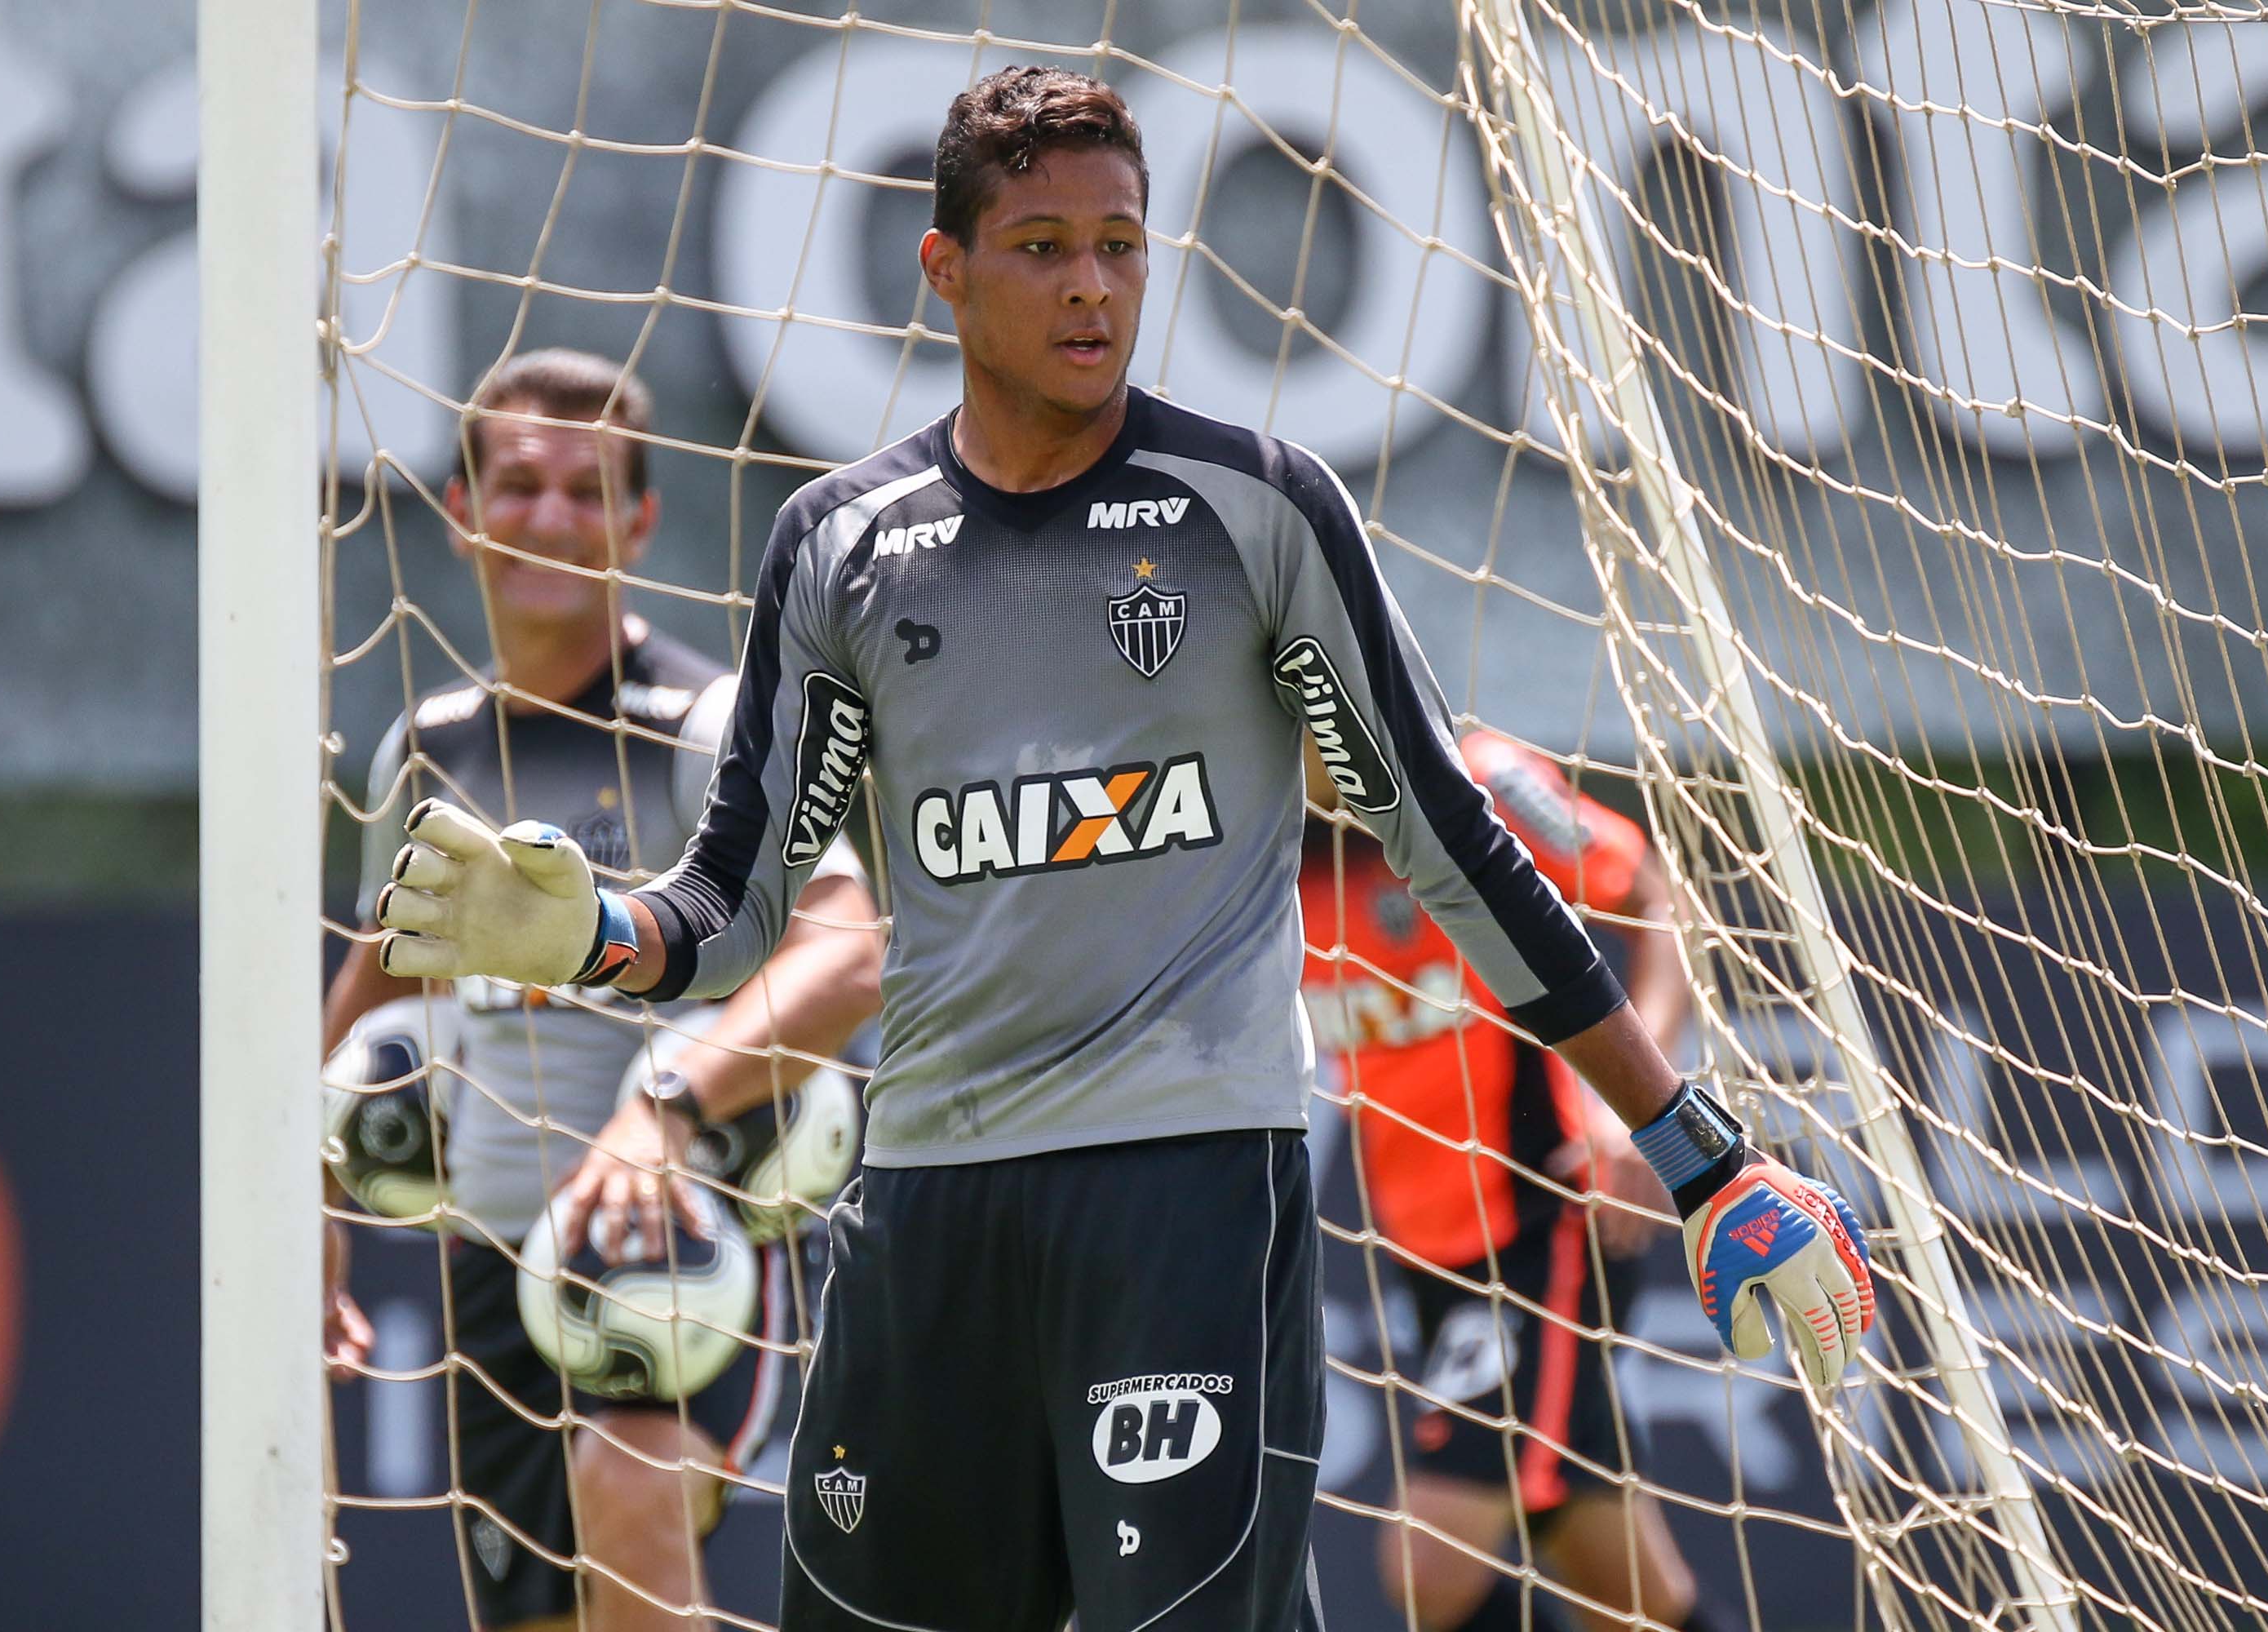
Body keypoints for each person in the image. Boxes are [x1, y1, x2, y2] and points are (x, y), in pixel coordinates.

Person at [369, 69, 1874, 1631]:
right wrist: (592, 935)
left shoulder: (1260, 508)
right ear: (945, 271)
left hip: (1187, 1194)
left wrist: (1699, 1154)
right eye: (1041, 248)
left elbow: (1456, 846)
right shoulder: (841, 541)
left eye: (1120, 244)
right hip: (933, 1199)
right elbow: (735, 909)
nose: (1091, 283)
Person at [323, 348, 884, 1632]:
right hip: (492, 1259)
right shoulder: (429, 749)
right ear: (461, 510)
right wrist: (312, 1201)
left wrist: (662, 1112)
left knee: (627, 1493)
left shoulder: (706, 725)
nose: (551, 518)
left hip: (681, 1234)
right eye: (520, 486)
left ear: (639, 521)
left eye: (588, 493)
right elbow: (375, 973)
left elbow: (850, 954)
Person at [1302, 731, 1737, 1632]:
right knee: (1628, 1595)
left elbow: (1657, 900)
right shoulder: (1250, 841)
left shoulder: (1476, 781)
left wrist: (1637, 1111)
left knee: (1429, 1569)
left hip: (1546, 1223)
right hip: (1428, 1251)